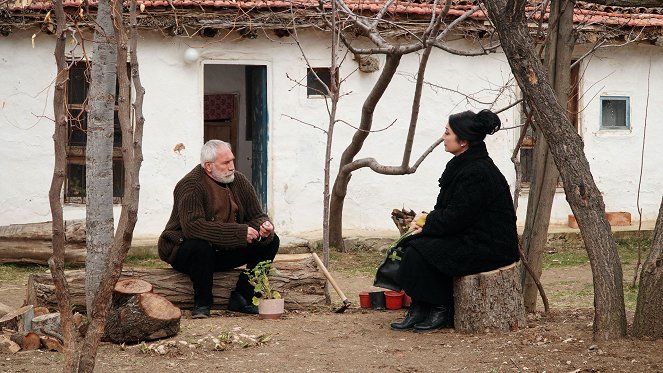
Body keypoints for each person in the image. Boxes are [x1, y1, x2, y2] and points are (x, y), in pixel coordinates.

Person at [390, 109, 519, 331]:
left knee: (420, 251)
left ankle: (440, 309)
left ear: (463, 141)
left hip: (491, 246)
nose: (443, 137)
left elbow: (458, 216)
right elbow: (449, 210)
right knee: (413, 246)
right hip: (470, 234)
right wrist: (424, 224)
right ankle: (421, 308)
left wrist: (427, 224)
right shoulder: (461, 164)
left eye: (447, 133)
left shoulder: (477, 170)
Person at [158, 140, 279, 318]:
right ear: (208, 166)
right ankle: (202, 303)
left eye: (232, 161)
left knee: (271, 242)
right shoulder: (190, 185)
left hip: (222, 250)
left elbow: (256, 215)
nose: (231, 167)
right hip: (185, 251)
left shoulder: (239, 181)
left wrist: (263, 228)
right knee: (199, 246)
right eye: (226, 163)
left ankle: (243, 296)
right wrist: (239, 233)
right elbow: (193, 227)